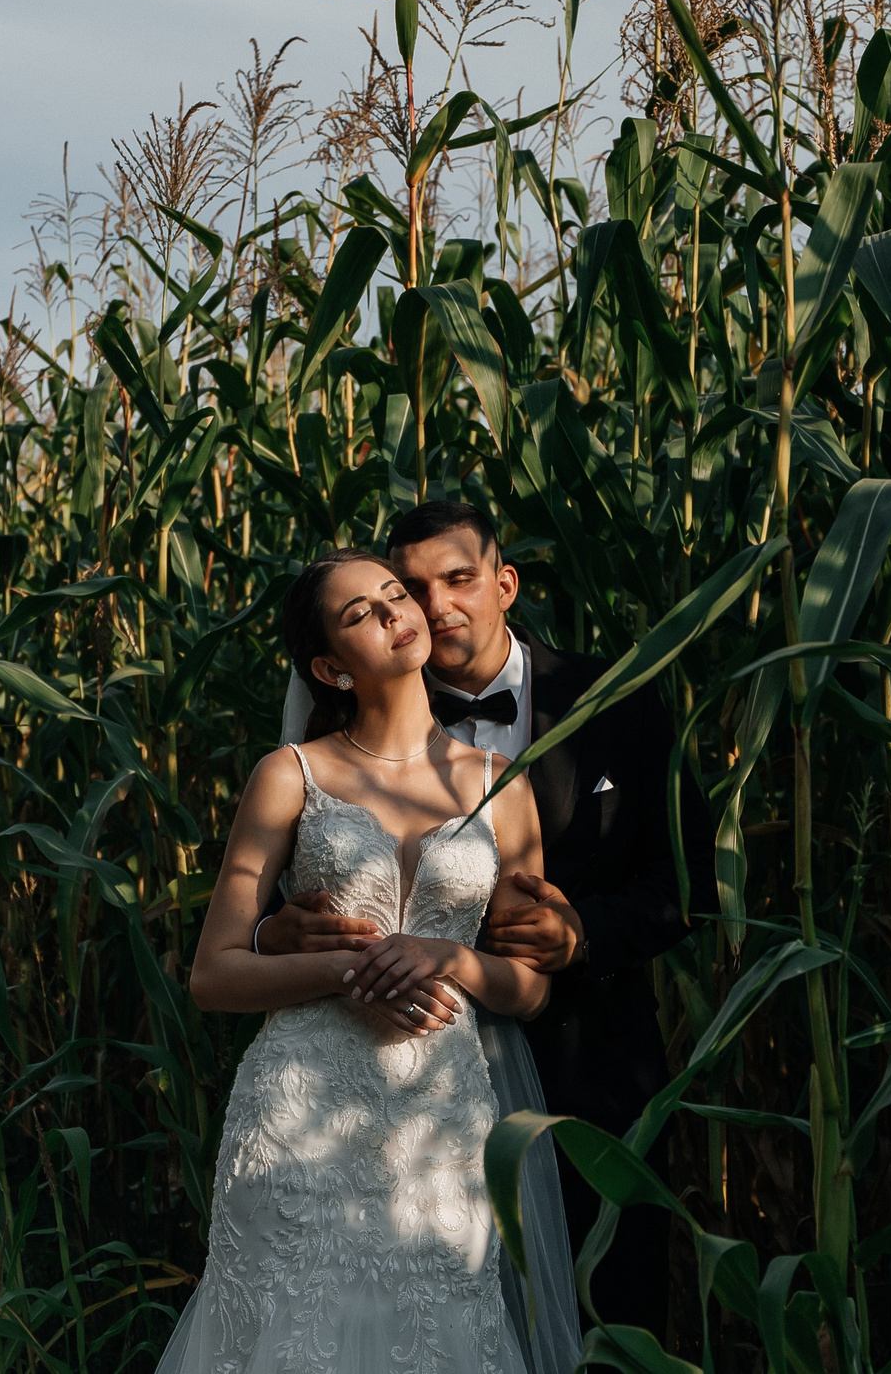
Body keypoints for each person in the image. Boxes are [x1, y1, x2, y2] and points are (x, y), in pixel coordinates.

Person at [263, 500, 715, 1343]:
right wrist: (271, 932)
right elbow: (271, 901)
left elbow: (690, 881)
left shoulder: (618, 698)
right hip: (406, 1101)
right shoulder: (359, 717)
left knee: (610, 1319)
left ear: (505, 583)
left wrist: (584, 933)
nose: (435, 606)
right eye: (412, 586)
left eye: (460, 579)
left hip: (591, 1076)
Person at [158, 546, 562, 1374]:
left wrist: (450, 957)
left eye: (393, 595)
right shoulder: (291, 775)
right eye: (360, 615)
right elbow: (214, 973)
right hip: (300, 1113)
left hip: (441, 1120)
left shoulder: (504, 785)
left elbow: (529, 989)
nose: (394, 613)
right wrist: (351, 974)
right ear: (329, 668)